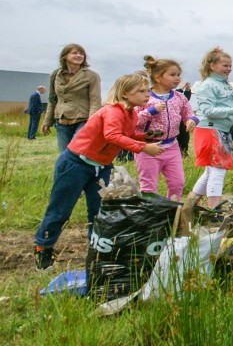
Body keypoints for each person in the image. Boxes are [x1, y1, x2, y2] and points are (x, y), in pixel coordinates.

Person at [33, 73, 164, 270]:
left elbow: (125, 134)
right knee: (60, 209)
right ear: (126, 93)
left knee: (99, 211)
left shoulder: (132, 113)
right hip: (75, 164)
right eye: (141, 91)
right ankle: (43, 249)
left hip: (100, 167)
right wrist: (143, 147)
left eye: (147, 90)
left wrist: (143, 137)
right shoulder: (113, 111)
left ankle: (96, 250)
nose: (147, 95)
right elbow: (111, 135)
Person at [187, 47, 233, 210]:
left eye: (230, 66)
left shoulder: (225, 85)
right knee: (218, 172)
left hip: (220, 131)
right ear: (212, 66)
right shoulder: (208, 85)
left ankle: (189, 205)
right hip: (209, 131)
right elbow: (208, 111)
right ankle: (214, 210)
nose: (229, 69)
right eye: (225, 65)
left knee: (210, 172)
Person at [133, 56, 197, 201]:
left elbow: (189, 113)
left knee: (177, 183)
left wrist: (191, 120)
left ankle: (171, 212)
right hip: (148, 147)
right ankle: (151, 215)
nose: (177, 78)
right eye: (172, 75)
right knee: (149, 186)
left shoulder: (179, 97)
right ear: (157, 77)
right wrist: (151, 111)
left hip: (172, 146)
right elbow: (134, 121)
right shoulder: (145, 97)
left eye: (178, 75)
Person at [41, 43, 102, 153]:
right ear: (65, 56)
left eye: (81, 53)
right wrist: (47, 121)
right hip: (61, 120)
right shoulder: (55, 75)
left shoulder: (91, 76)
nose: (79, 55)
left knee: (76, 152)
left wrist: (92, 123)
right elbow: (52, 99)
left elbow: (95, 101)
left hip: (83, 120)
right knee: (63, 154)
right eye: (74, 53)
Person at [176, 82, 193, 156]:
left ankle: (183, 152)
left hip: (181, 119)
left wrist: (187, 91)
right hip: (173, 120)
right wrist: (180, 89)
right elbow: (173, 99)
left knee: (184, 136)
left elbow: (184, 101)